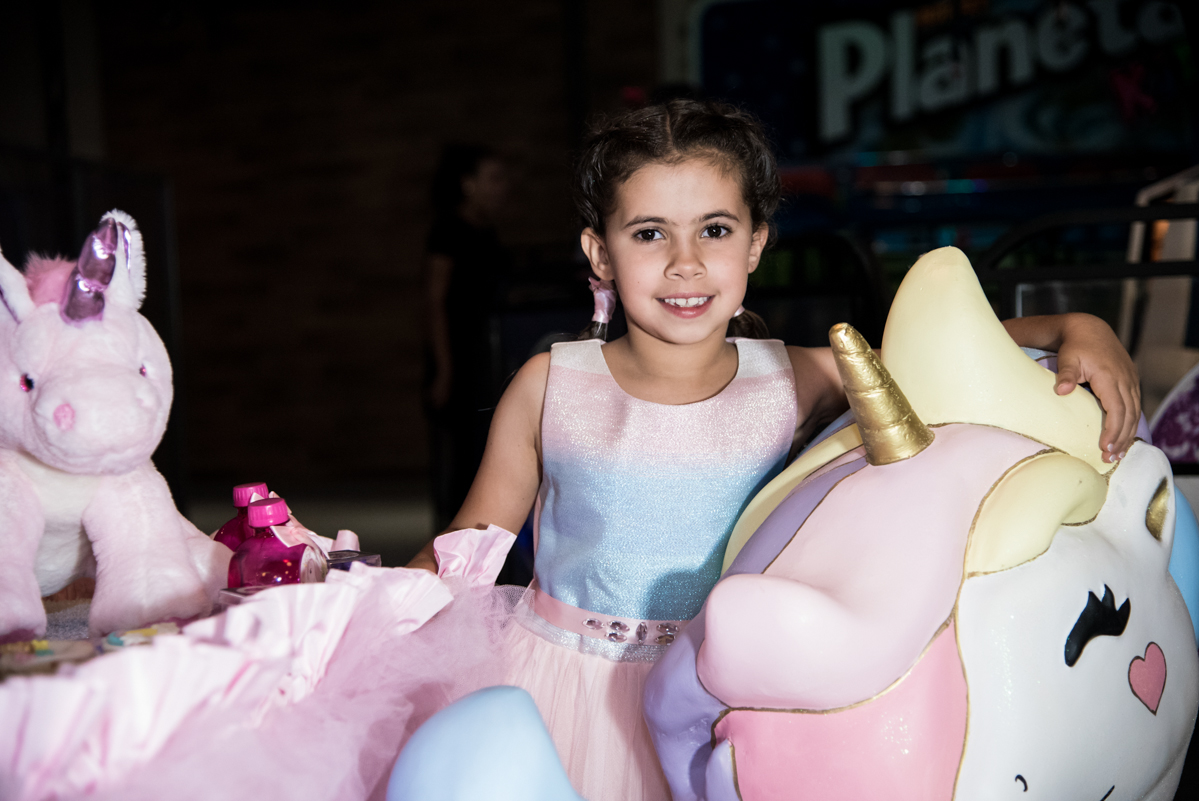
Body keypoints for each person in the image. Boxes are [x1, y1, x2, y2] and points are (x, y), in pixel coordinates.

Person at [407, 100, 1141, 800]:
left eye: (716, 230)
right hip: (563, 693)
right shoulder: (549, 384)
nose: (686, 263)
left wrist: (1075, 326)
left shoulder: (792, 379)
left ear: (756, 242)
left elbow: (934, 353)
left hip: (718, 696)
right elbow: (470, 545)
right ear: (600, 252)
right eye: (650, 233)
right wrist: (356, 607)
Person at [425, 144, 511, 532]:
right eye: (493, 178)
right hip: (459, 359)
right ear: (468, 184)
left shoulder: (488, 233)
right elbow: (435, 301)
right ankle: (452, 542)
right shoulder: (448, 233)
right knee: (459, 459)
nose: (503, 187)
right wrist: (444, 370)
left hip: (485, 358)